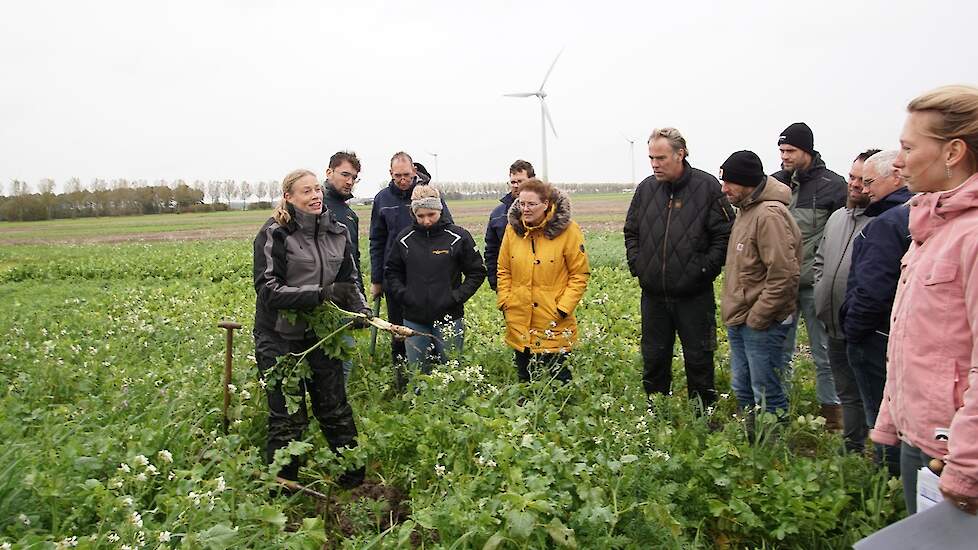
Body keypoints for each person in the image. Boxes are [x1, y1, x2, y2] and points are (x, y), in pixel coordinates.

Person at [871, 85, 978, 515]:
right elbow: (911, 339)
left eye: (908, 146)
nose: (898, 160)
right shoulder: (933, 227)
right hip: (924, 440)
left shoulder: (971, 235)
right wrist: (890, 418)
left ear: (953, 153)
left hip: (958, 449)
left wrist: (968, 465)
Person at [252, 169, 373, 489]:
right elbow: (267, 290)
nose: (316, 195)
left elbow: (349, 280)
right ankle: (283, 488)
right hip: (278, 336)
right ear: (289, 197)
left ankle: (354, 482)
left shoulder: (336, 230)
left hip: (322, 334)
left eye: (317, 189)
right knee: (288, 417)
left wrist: (359, 308)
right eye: (306, 191)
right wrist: (320, 295)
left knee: (334, 407)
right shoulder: (274, 233)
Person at [623, 128, 735, 408]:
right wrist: (639, 265)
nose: (655, 164)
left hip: (694, 295)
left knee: (699, 357)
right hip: (653, 295)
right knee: (654, 357)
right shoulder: (646, 189)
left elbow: (725, 235)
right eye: (651, 158)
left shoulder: (708, 187)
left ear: (680, 154)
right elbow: (631, 231)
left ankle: (702, 414)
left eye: (660, 158)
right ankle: (656, 410)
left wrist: (702, 270)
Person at [840, 150, 911, 475]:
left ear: (896, 176)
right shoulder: (912, 216)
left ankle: (886, 485)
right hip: (894, 333)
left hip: (875, 335)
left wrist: (853, 330)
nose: (864, 189)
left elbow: (872, 290)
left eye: (870, 182)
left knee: (882, 417)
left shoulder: (887, 223)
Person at [773, 122, 846, 426]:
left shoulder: (833, 185)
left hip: (816, 285)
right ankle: (779, 408)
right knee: (780, 350)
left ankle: (832, 411)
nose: (784, 156)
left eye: (790, 150)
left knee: (824, 351)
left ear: (807, 150)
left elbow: (842, 234)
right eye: (781, 150)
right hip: (782, 285)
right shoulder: (775, 183)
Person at [719, 151, 802, 416]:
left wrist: (758, 317)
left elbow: (784, 274)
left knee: (766, 393)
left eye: (729, 182)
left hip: (760, 323)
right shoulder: (746, 211)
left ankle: (772, 452)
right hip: (741, 319)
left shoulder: (768, 215)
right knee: (743, 388)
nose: (724, 189)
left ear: (746, 182)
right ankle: (752, 445)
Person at [813, 149, 878, 451]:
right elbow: (820, 261)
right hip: (833, 322)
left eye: (863, 180)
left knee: (873, 394)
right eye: (852, 177)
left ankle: (881, 456)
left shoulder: (883, 223)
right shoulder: (838, 218)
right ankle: (853, 449)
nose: (854, 184)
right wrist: (819, 295)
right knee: (847, 391)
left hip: (865, 326)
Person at [385, 185, 487, 374]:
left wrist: (455, 297)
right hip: (414, 319)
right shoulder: (405, 239)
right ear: (413, 214)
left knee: (451, 372)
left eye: (431, 214)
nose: (426, 221)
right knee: (418, 373)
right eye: (420, 216)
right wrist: (405, 296)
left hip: (449, 318)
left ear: (440, 210)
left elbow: (477, 272)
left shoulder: (458, 237)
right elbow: (392, 272)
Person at [496, 178, 590, 382]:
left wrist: (563, 308)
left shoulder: (568, 230)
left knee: (558, 384)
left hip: (553, 321)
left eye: (531, 204)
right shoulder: (512, 230)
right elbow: (504, 270)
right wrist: (505, 301)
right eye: (522, 204)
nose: (525, 209)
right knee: (526, 383)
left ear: (546, 204)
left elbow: (579, 274)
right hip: (519, 319)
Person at [369, 152, 452, 367]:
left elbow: (447, 231)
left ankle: (435, 370)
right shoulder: (382, 199)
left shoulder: (430, 195)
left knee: (431, 324)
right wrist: (377, 280)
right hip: (395, 276)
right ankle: (402, 371)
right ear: (390, 173)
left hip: (427, 275)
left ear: (414, 171)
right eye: (398, 175)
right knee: (398, 328)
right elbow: (377, 240)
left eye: (406, 174)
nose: (403, 179)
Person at [322, 151, 363, 383]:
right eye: (344, 174)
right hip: (316, 300)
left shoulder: (349, 215)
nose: (349, 181)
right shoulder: (314, 205)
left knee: (344, 364)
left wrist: (360, 301)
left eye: (354, 177)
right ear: (329, 172)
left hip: (343, 302)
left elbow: (353, 262)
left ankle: (337, 413)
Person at [485, 160, 535, 291]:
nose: (516, 186)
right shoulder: (498, 214)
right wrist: (496, 284)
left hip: (543, 286)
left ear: (532, 180)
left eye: (521, 181)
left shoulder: (548, 210)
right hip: (511, 286)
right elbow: (492, 250)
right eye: (513, 182)